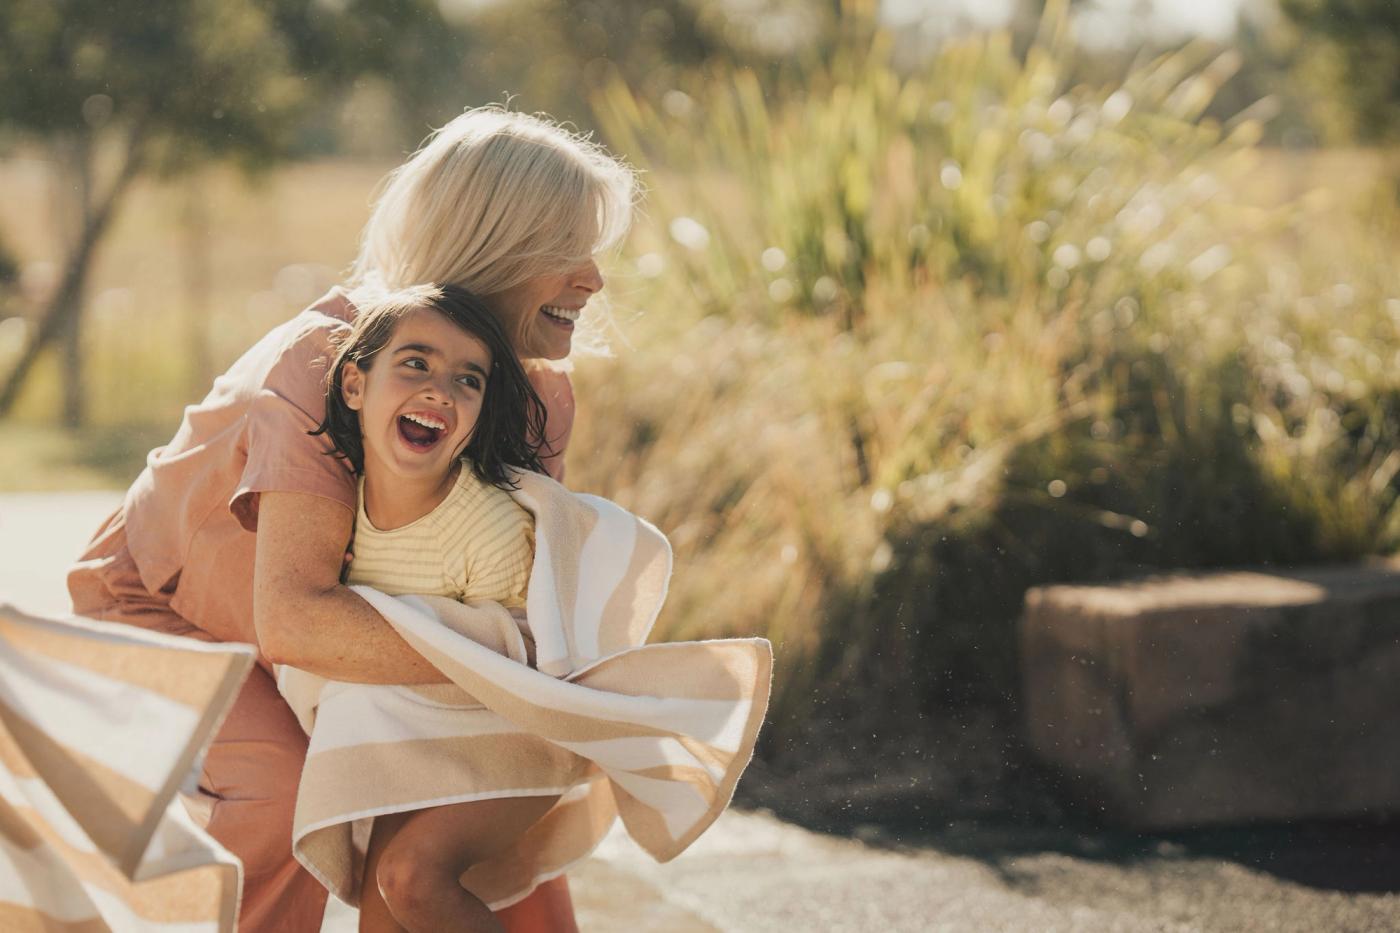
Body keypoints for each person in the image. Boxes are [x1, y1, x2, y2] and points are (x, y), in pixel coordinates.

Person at [67, 105, 636, 932]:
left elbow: (518, 596)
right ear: (493, 244)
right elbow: (298, 621)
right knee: (283, 795)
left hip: (339, 627)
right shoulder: (327, 358)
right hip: (160, 606)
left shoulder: (541, 392)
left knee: (468, 809)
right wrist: (512, 658)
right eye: (566, 251)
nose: (593, 278)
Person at [292, 282, 552, 932]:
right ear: (354, 385)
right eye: (416, 363)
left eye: (469, 379)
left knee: (411, 879)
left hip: (517, 732)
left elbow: (527, 657)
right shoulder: (333, 506)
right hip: (407, 732)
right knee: (381, 916)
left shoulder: (486, 528)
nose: (442, 389)